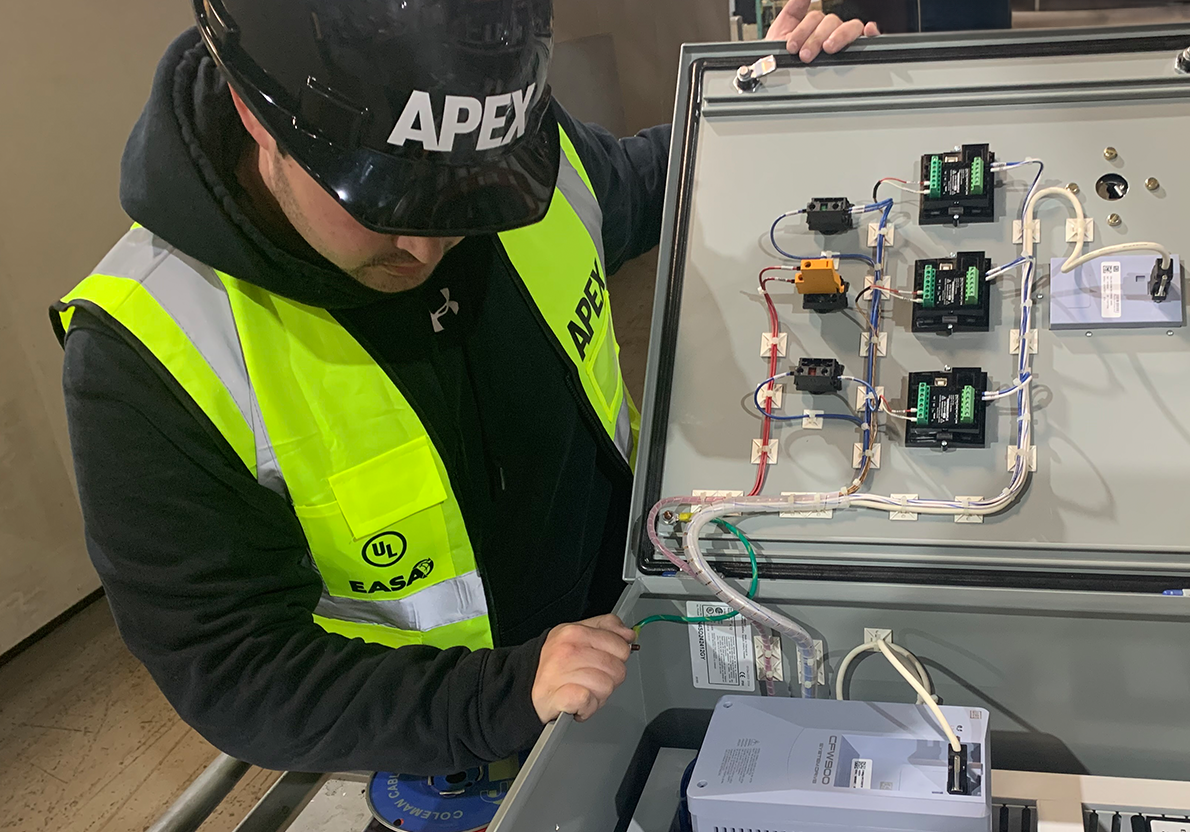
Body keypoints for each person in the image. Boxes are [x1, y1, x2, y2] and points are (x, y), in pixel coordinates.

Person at [51, 0, 873, 775]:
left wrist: (770, 93)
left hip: (631, 621)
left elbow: (645, 179)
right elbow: (235, 668)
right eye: (388, 200)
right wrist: (497, 696)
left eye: (467, 196)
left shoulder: (516, 163)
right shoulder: (149, 351)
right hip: (444, 737)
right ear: (254, 114)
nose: (426, 246)